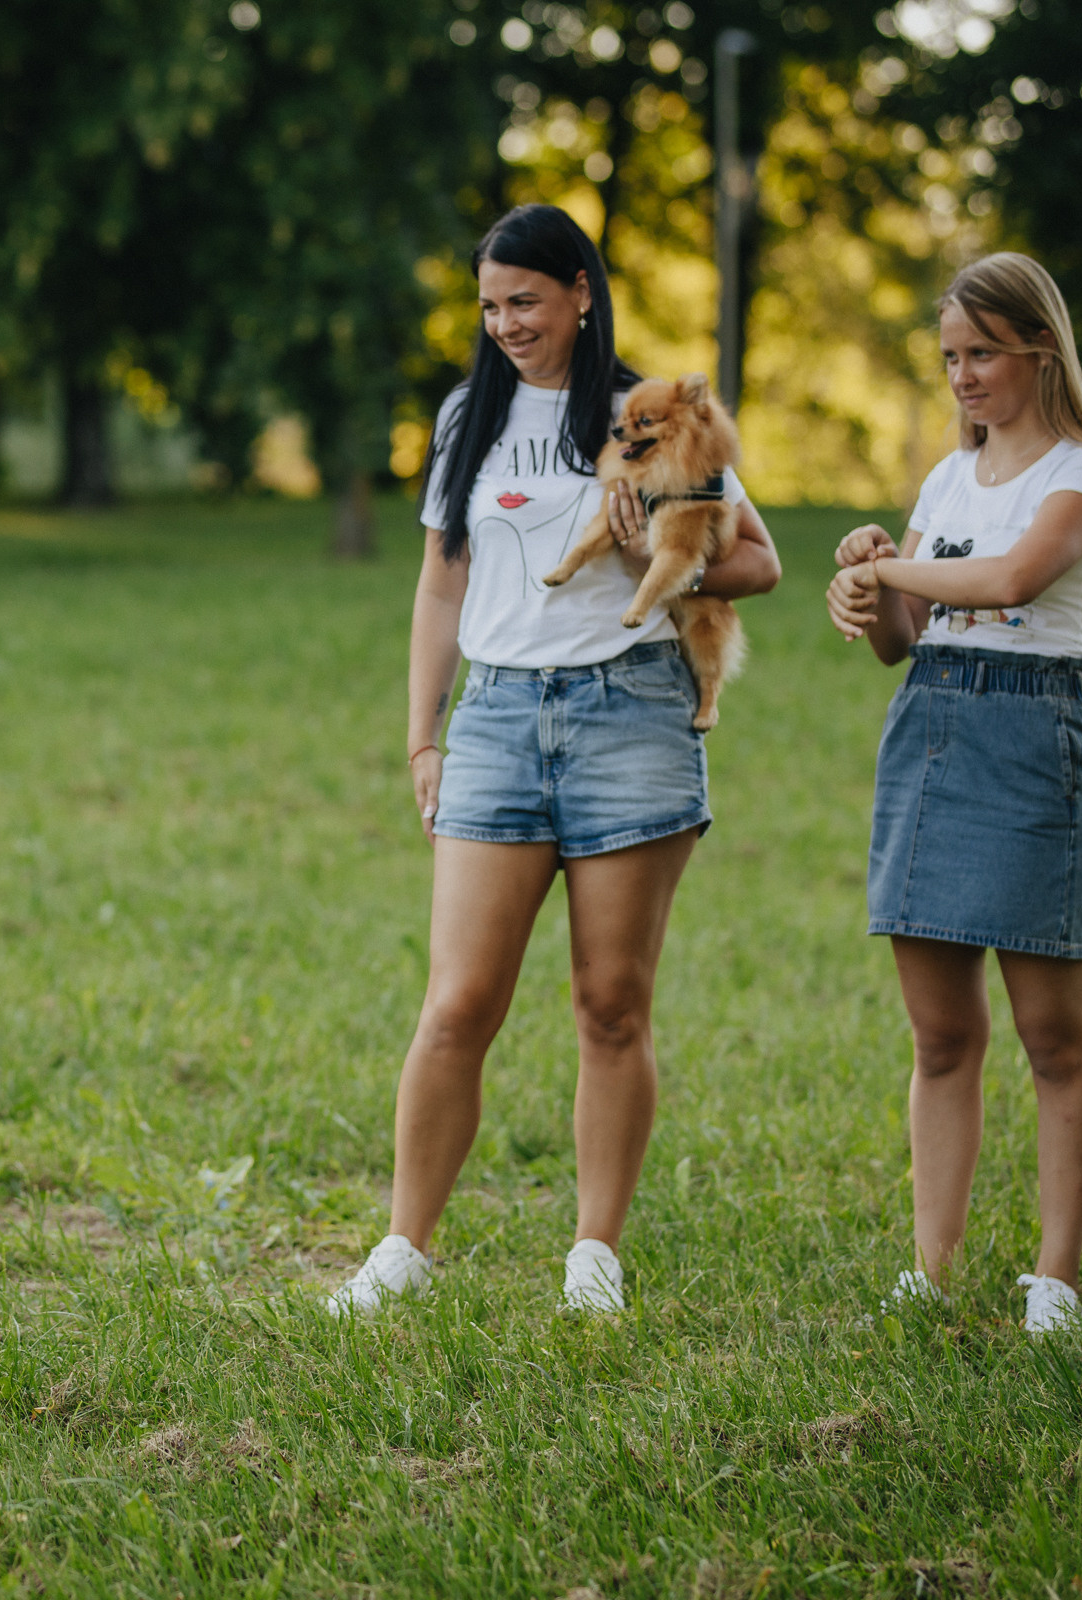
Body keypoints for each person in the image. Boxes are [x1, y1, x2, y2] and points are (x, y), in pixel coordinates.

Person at [326, 205, 781, 1317]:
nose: (505, 325)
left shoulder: (651, 411)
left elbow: (760, 562)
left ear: (582, 290)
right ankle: (402, 1249)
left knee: (611, 1003)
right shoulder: (464, 416)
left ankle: (594, 1254)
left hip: (630, 719)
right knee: (458, 1002)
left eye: (523, 300)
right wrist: (423, 735)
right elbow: (441, 584)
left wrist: (646, 549)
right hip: (496, 720)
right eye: (488, 307)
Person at [825, 252, 1082, 1336]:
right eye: (950, 357)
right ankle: (932, 1264)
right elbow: (904, 645)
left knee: (1054, 1035)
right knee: (941, 1033)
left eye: (981, 355)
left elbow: (1009, 583)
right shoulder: (946, 480)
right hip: (930, 735)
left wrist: (895, 570)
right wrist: (870, 583)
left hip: (1029, 736)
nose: (960, 376)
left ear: (1039, 351)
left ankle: (1055, 1277)